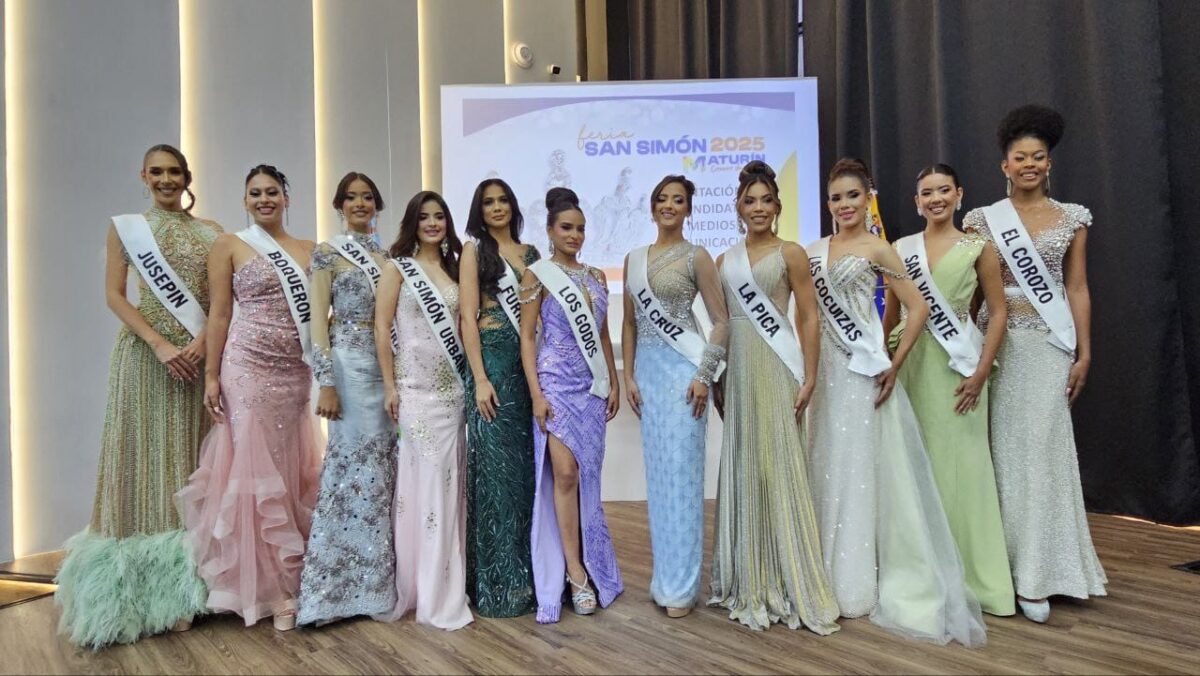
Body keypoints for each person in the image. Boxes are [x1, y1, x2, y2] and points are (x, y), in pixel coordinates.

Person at [807, 157, 986, 646]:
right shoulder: (814, 251)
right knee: (826, 461)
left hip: (862, 371)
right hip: (827, 374)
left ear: (868, 199)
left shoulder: (879, 248)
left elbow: (919, 306)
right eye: (836, 198)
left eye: (852, 196)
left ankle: (855, 579)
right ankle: (819, 570)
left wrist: (894, 361)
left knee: (860, 468)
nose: (844, 205)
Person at [55, 144, 220, 648]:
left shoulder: (212, 231)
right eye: (157, 172)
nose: (166, 180)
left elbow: (222, 301)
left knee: (189, 462)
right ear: (144, 176)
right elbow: (115, 295)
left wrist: (202, 342)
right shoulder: (127, 227)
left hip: (196, 360)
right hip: (145, 358)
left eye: (175, 172)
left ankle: (189, 588)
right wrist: (160, 345)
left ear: (187, 176)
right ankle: (140, 592)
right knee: (143, 463)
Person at [964, 104, 1107, 622]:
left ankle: (1044, 571)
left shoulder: (1072, 217)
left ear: (1049, 163)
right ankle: (1000, 569)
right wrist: (965, 350)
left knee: (1043, 455)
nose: (1029, 164)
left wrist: (1084, 351)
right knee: (999, 453)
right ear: (1005, 165)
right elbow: (972, 292)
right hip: (996, 347)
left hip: (1048, 345)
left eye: (1038, 156)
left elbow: (1077, 287)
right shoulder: (982, 220)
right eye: (1020, 157)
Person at [176, 164, 322, 632]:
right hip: (246, 368)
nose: (264, 199)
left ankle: (289, 577)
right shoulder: (229, 245)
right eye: (255, 193)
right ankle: (267, 589)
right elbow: (219, 315)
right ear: (245, 201)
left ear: (286, 198)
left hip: (294, 372)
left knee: (288, 468)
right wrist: (211, 375)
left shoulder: (309, 249)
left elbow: (321, 316)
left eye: (272, 192)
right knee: (253, 471)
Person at [707, 161, 839, 633]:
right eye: (750, 201)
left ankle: (787, 574)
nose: (758, 208)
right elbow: (720, 324)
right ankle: (748, 574)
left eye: (766, 200)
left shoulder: (791, 253)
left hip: (778, 365)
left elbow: (808, 317)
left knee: (780, 463)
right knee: (746, 462)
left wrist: (810, 374)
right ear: (738, 208)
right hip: (739, 369)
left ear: (778, 206)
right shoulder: (724, 261)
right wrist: (716, 376)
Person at [883, 164, 1015, 616]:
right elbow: (892, 313)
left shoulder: (979, 247)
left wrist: (980, 372)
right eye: (927, 192)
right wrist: (885, 363)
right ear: (916, 201)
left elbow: (997, 312)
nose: (935, 198)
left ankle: (977, 580)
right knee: (915, 466)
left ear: (959, 194)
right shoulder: (900, 249)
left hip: (958, 368)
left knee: (965, 471)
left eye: (943, 190)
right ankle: (924, 570)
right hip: (911, 366)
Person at [621, 174, 728, 618]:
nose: (669, 205)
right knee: (660, 481)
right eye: (662, 199)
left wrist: (705, 375)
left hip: (686, 377)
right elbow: (629, 323)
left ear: (688, 209)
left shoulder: (696, 256)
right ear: (652, 207)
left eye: (678, 200)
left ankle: (682, 588)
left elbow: (721, 322)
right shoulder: (633, 259)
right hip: (649, 377)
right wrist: (629, 376)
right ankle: (664, 580)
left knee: (683, 479)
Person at [296, 172, 397, 625]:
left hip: (385, 370)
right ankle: (335, 587)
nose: (360, 204)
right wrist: (326, 382)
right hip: (348, 369)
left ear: (377, 205)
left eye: (367, 197)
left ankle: (378, 581)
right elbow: (317, 322)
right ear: (340, 205)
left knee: (384, 468)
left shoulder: (389, 257)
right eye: (352, 197)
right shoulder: (327, 253)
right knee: (351, 470)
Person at [520, 187, 623, 623]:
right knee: (564, 474)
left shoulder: (597, 276)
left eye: (580, 229)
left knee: (588, 480)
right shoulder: (538, 276)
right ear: (549, 230)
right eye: (566, 228)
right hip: (556, 385)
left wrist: (612, 380)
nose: (574, 235)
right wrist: (536, 394)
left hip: (592, 387)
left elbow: (601, 334)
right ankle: (575, 572)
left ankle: (594, 563)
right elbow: (528, 338)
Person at [374, 190, 473, 630]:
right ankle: (427, 591)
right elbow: (382, 328)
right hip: (414, 393)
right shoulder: (397, 268)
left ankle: (447, 585)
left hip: (452, 395)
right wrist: (390, 386)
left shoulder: (455, 269)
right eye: (424, 217)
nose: (433, 223)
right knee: (425, 487)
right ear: (412, 223)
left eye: (439, 217)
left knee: (449, 488)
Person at [458, 179, 540, 617]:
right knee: (494, 476)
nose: (496, 207)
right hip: (491, 368)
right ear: (479, 210)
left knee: (525, 476)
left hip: (527, 369)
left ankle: (530, 577)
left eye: (503, 200)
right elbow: (467, 319)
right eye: (488, 202)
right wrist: (479, 378)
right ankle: (495, 583)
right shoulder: (474, 253)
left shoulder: (531, 254)